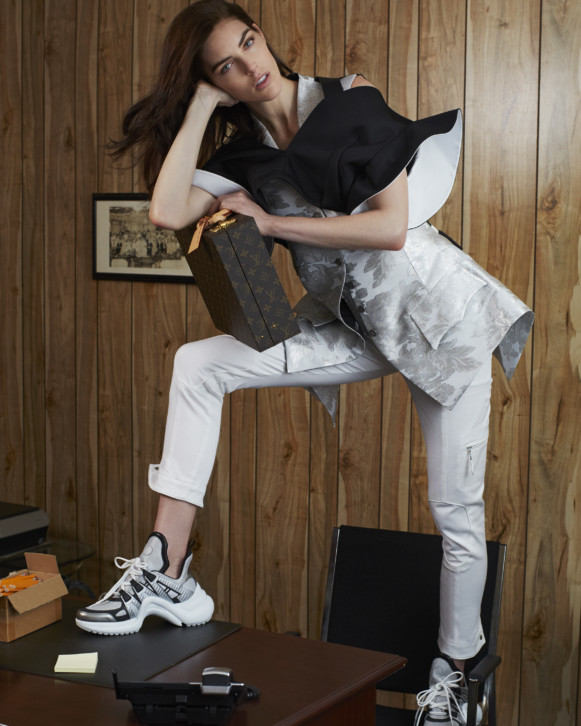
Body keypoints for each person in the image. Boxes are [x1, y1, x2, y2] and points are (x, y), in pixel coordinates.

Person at [75, 2, 533, 724]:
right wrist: (199, 105)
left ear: (263, 36)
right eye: (226, 65)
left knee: (455, 510)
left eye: (249, 43)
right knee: (198, 363)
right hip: (353, 327)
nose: (250, 66)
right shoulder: (244, 158)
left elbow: (389, 227)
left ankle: (455, 677)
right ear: (215, 81)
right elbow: (165, 211)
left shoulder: (349, 101)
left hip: (443, 323)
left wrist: (269, 220)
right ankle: (167, 567)